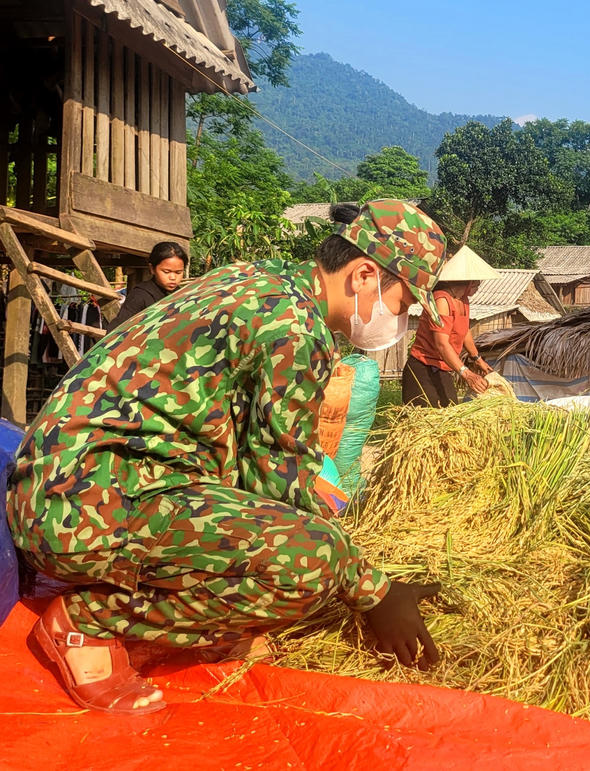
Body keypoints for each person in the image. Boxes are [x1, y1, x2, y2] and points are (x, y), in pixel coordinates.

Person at [7, 199, 449, 715]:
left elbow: (254, 457)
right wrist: (376, 591)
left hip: (69, 482)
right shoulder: (292, 328)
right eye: (404, 303)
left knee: (300, 529)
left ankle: (189, 623)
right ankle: (89, 622)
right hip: (84, 505)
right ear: (364, 275)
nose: (401, 320)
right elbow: (279, 478)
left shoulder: (261, 283)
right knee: (311, 562)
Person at [402, 245, 498, 407]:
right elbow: (441, 343)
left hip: (442, 368)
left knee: (450, 409)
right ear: (468, 283)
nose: (477, 289)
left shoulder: (463, 301)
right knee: (426, 418)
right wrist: (466, 373)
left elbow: (464, 331)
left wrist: (477, 359)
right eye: (476, 285)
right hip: (423, 368)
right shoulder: (442, 300)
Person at [102, 241, 188, 333]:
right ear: (152, 269)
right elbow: (116, 332)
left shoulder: (182, 295)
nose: (173, 277)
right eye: (166, 272)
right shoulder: (140, 296)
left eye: (178, 272)